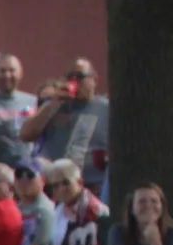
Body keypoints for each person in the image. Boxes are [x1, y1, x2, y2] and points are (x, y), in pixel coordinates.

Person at [20, 57, 112, 199]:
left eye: (80, 77)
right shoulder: (54, 106)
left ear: (94, 80)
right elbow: (25, 135)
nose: (74, 82)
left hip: (92, 185)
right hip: (57, 186)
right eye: (70, 77)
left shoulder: (106, 109)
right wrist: (54, 103)